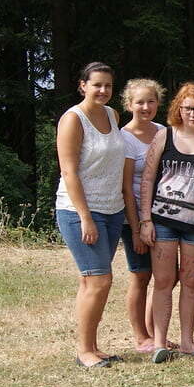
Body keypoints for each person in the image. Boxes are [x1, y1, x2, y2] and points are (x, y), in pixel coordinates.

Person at [139, 81, 194, 362]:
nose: (193, 113)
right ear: (178, 109)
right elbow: (148, 178)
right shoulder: (164, 136)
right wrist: (145, 220)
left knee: (191, 281)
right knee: (164, 281)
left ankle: (187, 341)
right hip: (162, 220)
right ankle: (159, 342)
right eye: (188, 108)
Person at [56, 62, 127, 369]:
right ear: (83, 85)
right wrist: (85, 217)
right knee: (99, 280)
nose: (103, 90)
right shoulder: (73, 119)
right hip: (79, 211)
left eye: (108, 85)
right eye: (97, 84)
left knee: (93, 282)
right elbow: (69, 171)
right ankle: (84, 351)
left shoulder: (112, 115)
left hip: (112, 210)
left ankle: (93, 346)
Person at [120, 78, 165, 353]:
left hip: (162, 215)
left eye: (151, 101)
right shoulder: (124, 138)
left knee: (165, 276)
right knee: (141, 274)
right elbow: (126, 188)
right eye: (139, 102)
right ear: (129, 105)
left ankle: (154, 332)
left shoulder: (163, 132)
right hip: (134, 217)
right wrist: (136, 229)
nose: (145, 107)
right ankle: (140, 336)